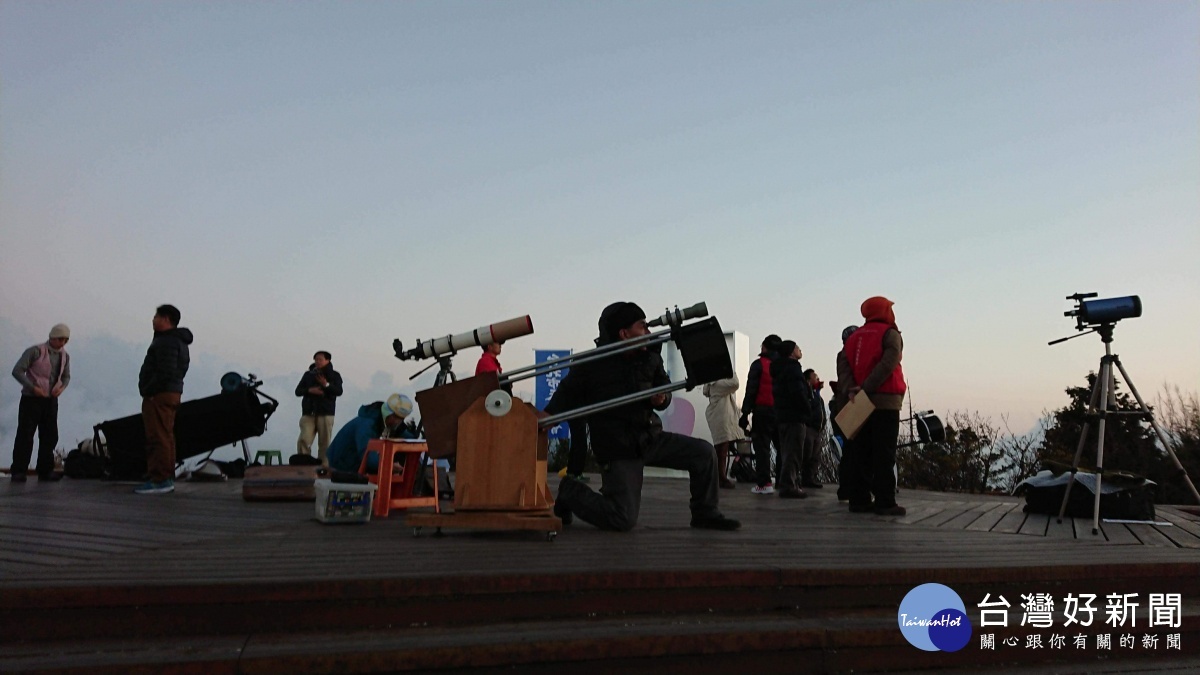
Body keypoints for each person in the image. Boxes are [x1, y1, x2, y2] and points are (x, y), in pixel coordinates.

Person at [546, 302, 739, 532]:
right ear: (624, 333)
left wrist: (661, 399)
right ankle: (570, 492)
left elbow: (664, 389)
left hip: (650, 438)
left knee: (704, 453)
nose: (648, 332)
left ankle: (705, 513)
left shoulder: (650, 358)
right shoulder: (590, 365)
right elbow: (560, 402)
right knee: (622, 519)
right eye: (642, 326)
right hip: (618, 448)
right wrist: (542, 420)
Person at [842, 297, 907, 516]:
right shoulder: (891, 334)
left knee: (861, 452)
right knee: (884, 453)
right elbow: (889, 363)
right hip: (886, 401)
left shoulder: (853, 338)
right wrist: (868, 387)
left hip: (858, 402)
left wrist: (852, 389)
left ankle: (859, 500)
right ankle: (884, 501)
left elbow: (843, 365)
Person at [135, 305, 192, 495]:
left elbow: (165, 371)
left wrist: (150, 391)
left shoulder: (167, 342)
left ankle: (160, 479)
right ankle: (165, 477)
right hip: (171, 393)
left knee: (157, 436)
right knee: (166, 435)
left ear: (166, 319)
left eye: (156, 316)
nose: (153, 319)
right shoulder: (178, 341)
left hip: (159, 395)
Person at [10, 324, 72, 482]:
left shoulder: (65, 356)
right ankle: (19, 470)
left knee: (50, 435)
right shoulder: (35, 351)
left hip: (50, 400)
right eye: (60, 339)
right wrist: (32, 387)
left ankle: (45, 470)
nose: (62, 343)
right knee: (26, 434)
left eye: (65, 340)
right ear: (52, 337)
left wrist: (61, 388)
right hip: (31, 399)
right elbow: (17, 371)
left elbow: (66, 376)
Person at [770, 341, 816, 499]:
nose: (800, 350)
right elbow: (797, 393)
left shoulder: (779, 369)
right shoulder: (793, 368)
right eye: (797, 348)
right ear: (791, 352)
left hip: (782, 417)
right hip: (794, 417)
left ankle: (788, 483)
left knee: (786, 452)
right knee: (794, 453)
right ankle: (790, 485)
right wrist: (807, 409)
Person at [327, 393, 416, 473]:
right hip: (337, 469)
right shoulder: (366, 425)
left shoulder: (385, 421)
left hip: (351, 468)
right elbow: (369, 458)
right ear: (389, 413)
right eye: (397, 418)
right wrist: (390, 466)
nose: (399, 422)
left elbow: (409, 438)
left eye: (402, 419)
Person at [740, 334, 782, 494]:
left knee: (762, 448)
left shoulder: (759, 365)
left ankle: (764, 484)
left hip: (763, 410)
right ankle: (782, 481)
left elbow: (751, 390)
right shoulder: (783, 365)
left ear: (765, 347)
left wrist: (745, 413)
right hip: (780, 412)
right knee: (782, 448)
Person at [295, 351, 343, 466]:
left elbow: (338, 391)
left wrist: (326, 384)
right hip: (309, 412)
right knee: (304, 439)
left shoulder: (334, 375)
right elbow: (298, 391)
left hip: (326, 412)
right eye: (316, 359)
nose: (317, 362)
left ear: (328, 361)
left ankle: (323, 467)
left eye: (320, 359)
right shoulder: (308, 375)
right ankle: (303, 464)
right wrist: (309, 390)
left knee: (324, 442)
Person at [829, 325, 858, 501]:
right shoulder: (849, 354)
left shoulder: (842, 354)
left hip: (843, 406)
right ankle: (850, 489)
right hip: (852, 406)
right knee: (853, 450)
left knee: (849, 450)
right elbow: (848, 380)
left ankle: (846, 488)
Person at [702, 375, 741, 489]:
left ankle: (718, 477)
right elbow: (735, 383)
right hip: (721, 417)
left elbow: (705, 391)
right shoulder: (719, 385)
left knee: (720, 448)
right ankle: (721, 478)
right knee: (722, 449)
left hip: (717, 416)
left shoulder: (712, 384)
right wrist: (730, 370)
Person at [802, 368, 826, 489]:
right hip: (810, 428)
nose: (818, 379)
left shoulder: (818, 397)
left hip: (818, 430)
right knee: (808, 454)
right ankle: (804, 478)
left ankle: (811, 477)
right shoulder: (808, 394)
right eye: (815, 377)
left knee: (815, 455)